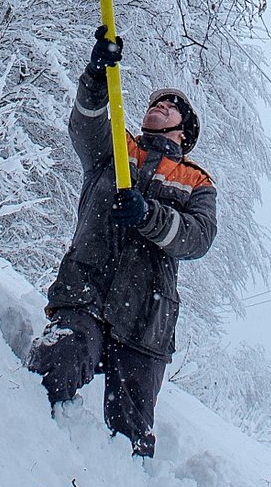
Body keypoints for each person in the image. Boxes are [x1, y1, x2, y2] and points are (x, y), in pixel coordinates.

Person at [28, 25, 217, 457]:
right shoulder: (115, 147)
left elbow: (198, 237)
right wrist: (96, 76)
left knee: (131, 437)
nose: (159, 106)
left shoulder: (196, 181)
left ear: (184, 132)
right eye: (155, 102)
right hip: (87, 292)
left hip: (146, 319)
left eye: (170, 106)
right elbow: (85, 122)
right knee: (55, 366)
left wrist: (149, 216)